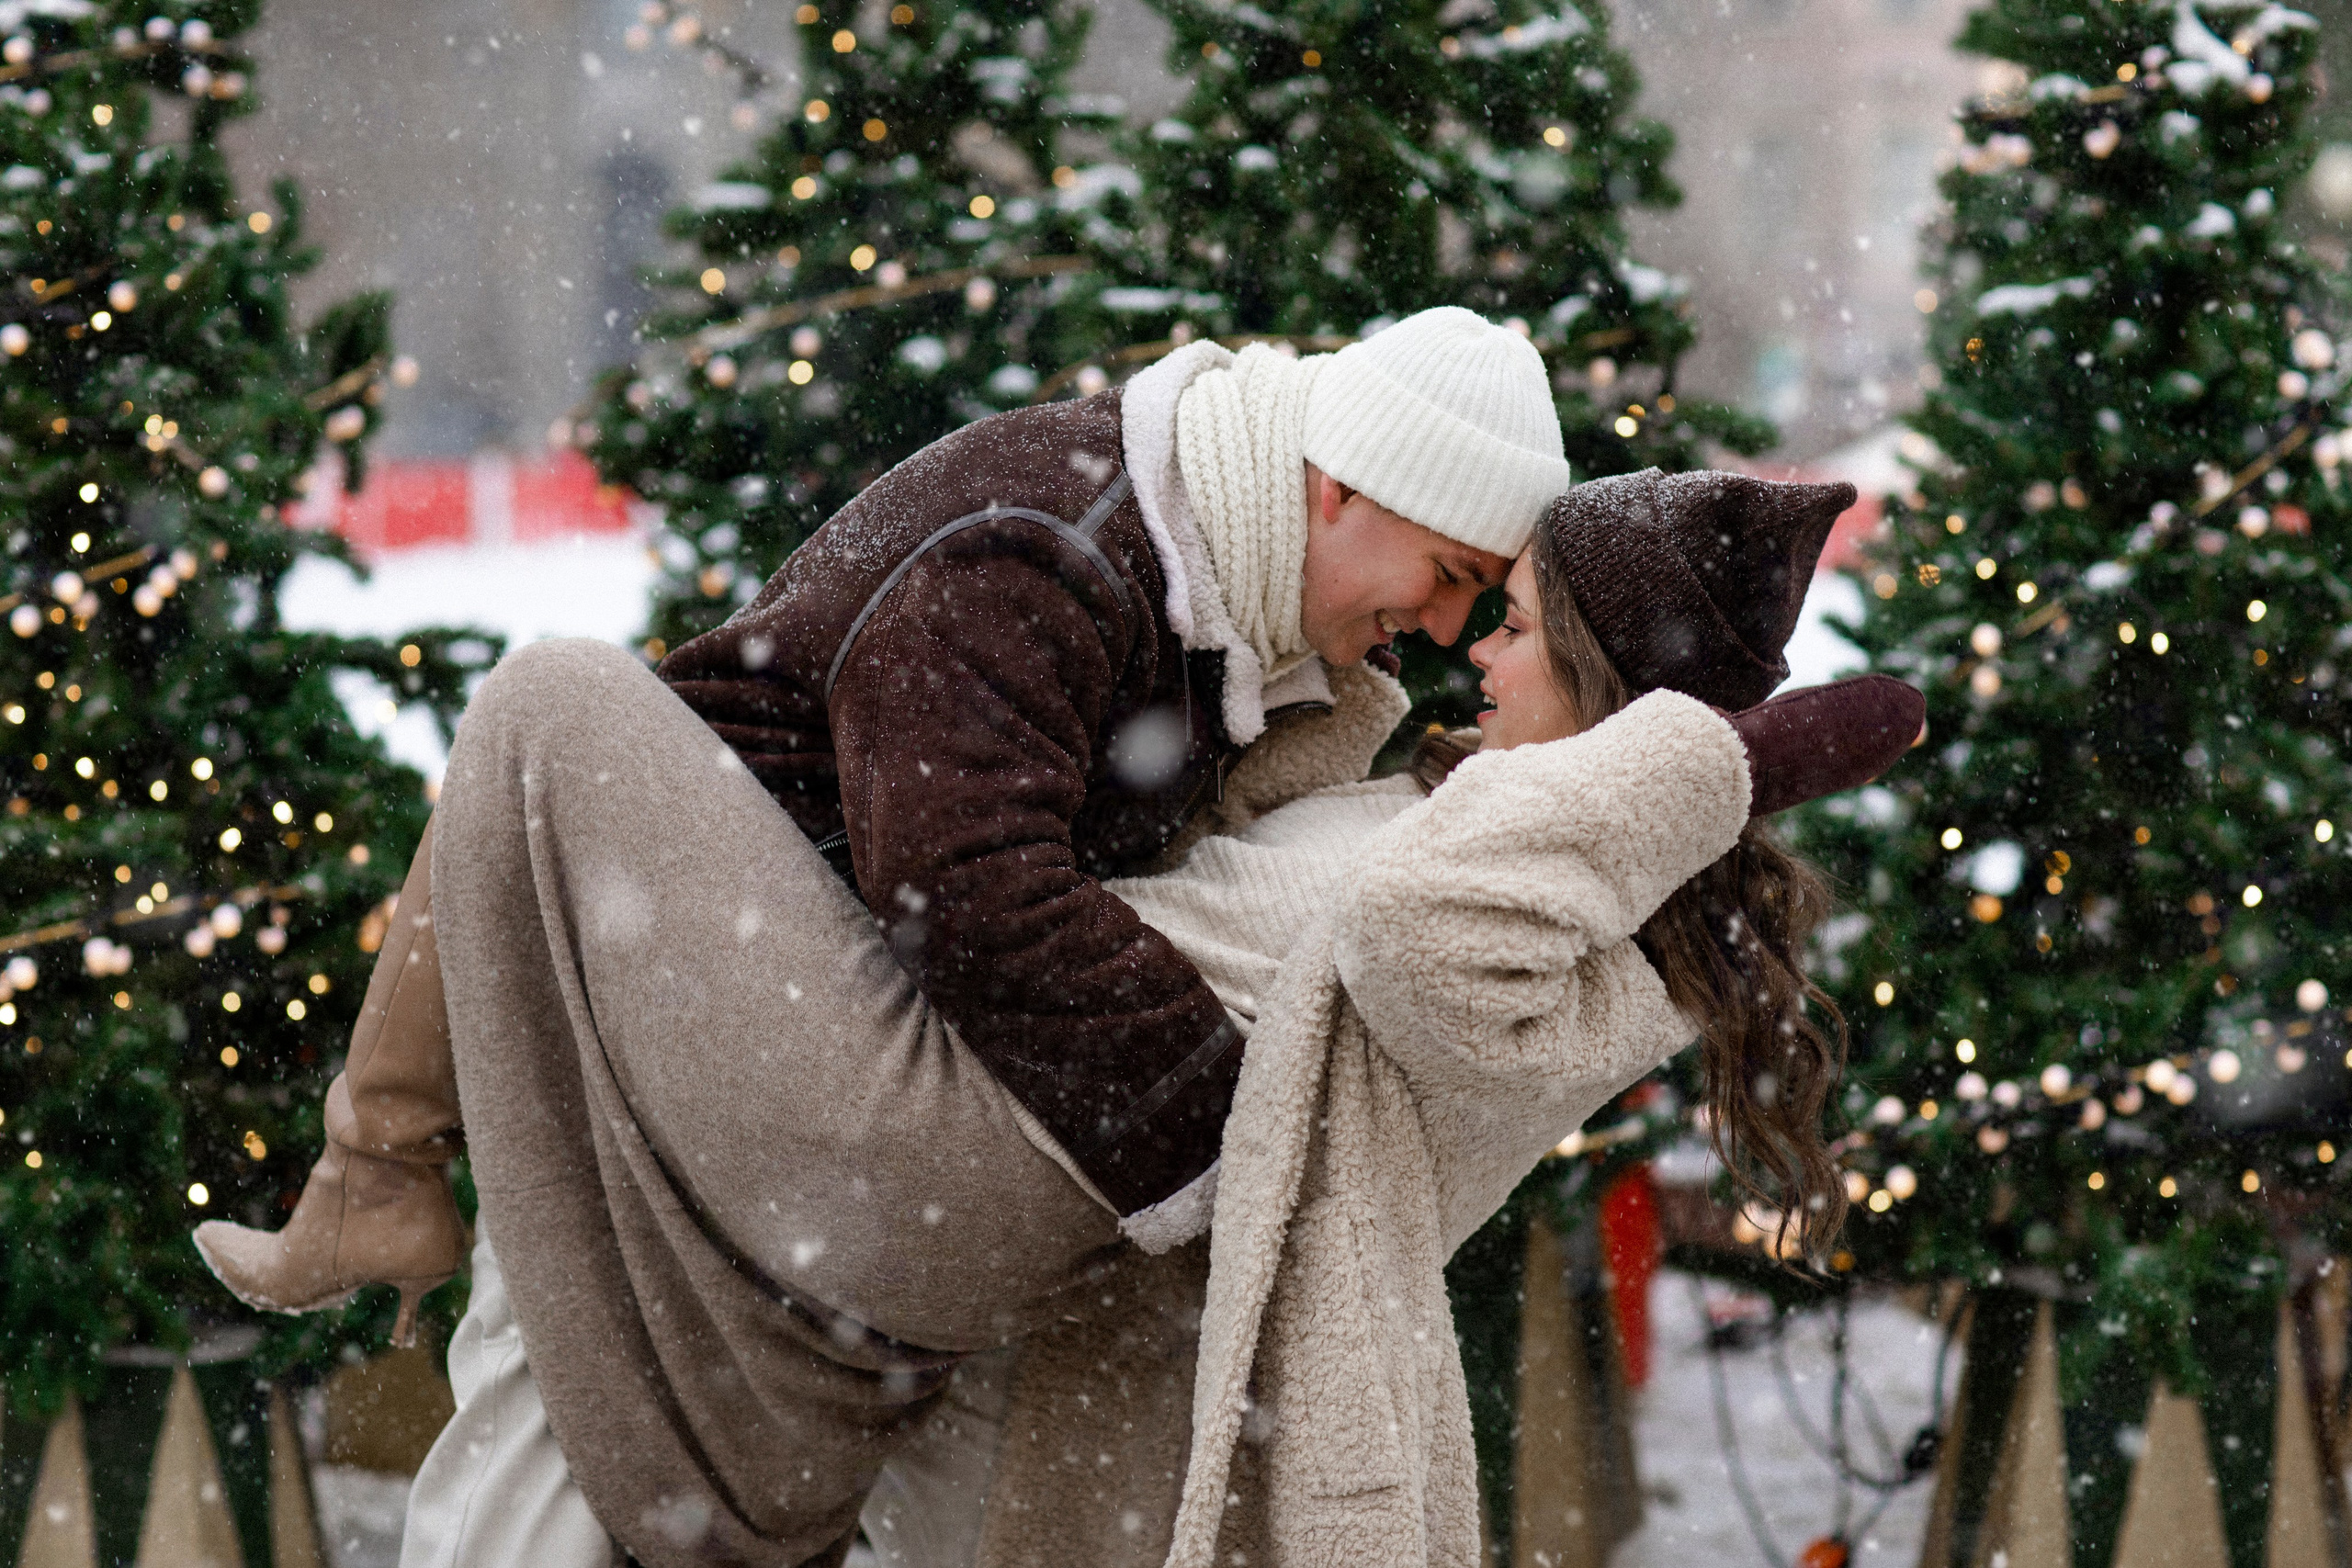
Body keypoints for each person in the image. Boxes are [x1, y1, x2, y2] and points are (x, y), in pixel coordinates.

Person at [192, 307, 1575, 1566]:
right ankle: (373, 1170)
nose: (1446, 626)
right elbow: (965, 887)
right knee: (548, 713)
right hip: (726, 958)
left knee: (593, 1393)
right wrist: (1232, 1146)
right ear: (1338, 487)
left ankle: (375, 1179)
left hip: (828, 997)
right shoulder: (1057, 544)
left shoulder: (1236, 586)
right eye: (1449, 576)